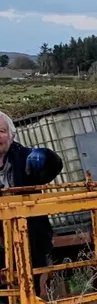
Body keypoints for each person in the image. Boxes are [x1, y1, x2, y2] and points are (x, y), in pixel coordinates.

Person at [0, 111, 64, 283]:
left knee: (31, 286)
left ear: (11, 135)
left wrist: (47, 156)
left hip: (30, 237)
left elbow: (54, 166)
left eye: (1, 131)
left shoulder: (24, 157)